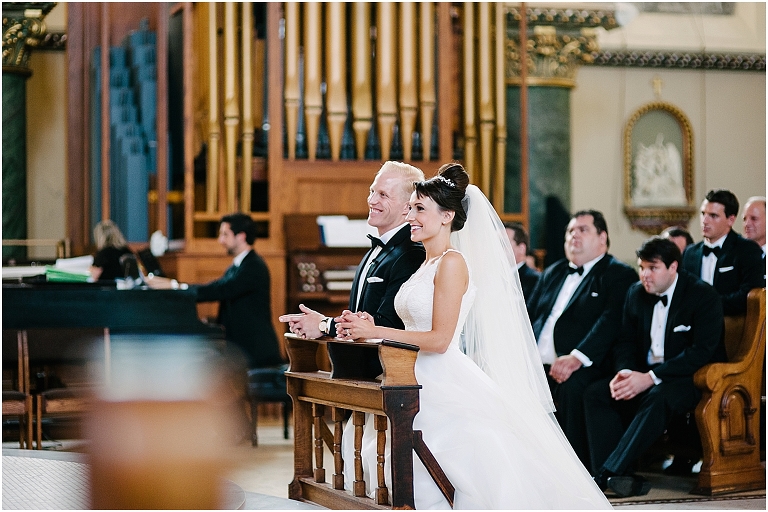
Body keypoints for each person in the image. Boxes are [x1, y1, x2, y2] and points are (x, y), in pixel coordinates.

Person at [336, 163, 611, 509]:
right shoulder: (424, 263)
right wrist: (366, 325)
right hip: (407, 372)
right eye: (412, 209)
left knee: (455, 462)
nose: (411, 217)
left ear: (447, 215)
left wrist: (375, 331)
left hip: (439, 377)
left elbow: (439, 339)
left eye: (420, 209)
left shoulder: (453, 263)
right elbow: (411, 326)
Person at [585, 237, 725, 497]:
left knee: (659, 396)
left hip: (692, 377)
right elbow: (625, 342)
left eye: (652, 268)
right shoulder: (635, 293)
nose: (644, 275)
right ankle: (618, 474)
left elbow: (701, 352)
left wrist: (650, 377)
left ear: (673, 267)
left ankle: (605, 474)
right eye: (641, 267)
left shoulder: (702, 295)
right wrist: (625, 372)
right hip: (644, 372)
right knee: (597, 393)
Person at [526, 210, 638, 468]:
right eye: (570, 231)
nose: (574, 234)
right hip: (536, 362)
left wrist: (577, 357)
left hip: (587, 363)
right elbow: (529, 315)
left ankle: (571, 468)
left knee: (571, 387)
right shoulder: (553, 272)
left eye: (583, 229)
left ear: (602, 238)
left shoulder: (618, 274)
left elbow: (610, 322)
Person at [279, 161, 425, 339]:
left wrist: (324, 325)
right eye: (372, 191)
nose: (372, 200)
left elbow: (388, 325)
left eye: (383, 195)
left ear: (407, 207)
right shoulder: (378, 248)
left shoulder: (410, 254)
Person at [193, 212, 284, 369]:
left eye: (225, 234)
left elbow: (222, 290)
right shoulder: (236, 266)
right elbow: (218, 287)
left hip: (256, 352)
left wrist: (180, 291)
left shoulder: (254, 266)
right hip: (243, 349)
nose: (220, 240)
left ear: (241, 236)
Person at [681, 189, 764, 315]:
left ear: (730, 220)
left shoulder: (747, 250)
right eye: (703, 214)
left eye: (713, 216)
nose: (705, 221)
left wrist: (708, 304)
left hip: (733, 326)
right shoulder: (690, 253)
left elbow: (749, 296)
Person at [503, 221, 540, 300]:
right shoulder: (491, 277)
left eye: (504, 243)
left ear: (521, 248)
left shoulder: (535, 280)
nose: (498, 248)